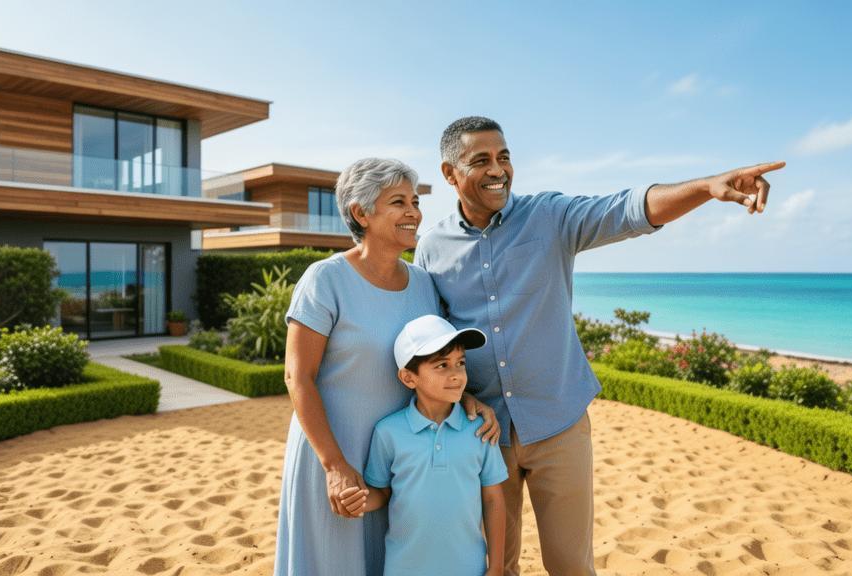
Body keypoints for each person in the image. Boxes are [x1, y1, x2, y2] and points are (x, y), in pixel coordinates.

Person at [414, 116, 786, 575]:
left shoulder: (548, 216)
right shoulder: (431, 247)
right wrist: (465, 396)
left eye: (505, 157)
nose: (499, 170)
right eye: (482, 160)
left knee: (571, 565)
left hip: (559, 424)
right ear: (450, 174)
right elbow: (432, 341)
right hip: (483, 433)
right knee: (494, 564)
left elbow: (628, 210)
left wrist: (706, 187)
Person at [274, 158, 500, 576]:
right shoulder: (324, 279)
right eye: (399, 202)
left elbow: (429, 361)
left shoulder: (423, 284)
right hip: (333, 450)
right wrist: (335, 466)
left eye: (415, 201)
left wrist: (468, 398)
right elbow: (297, 377)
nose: (414, 212)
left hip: (401, 455)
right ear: (361, 212)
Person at [339, 314, 508, 576]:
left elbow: (494, 499)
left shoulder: (481, 430)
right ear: (408, 378)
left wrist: (496, 566)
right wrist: (360, 501)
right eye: (442, 365)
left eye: (460, 363)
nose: (456, 375)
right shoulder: (387, 433)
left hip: (470, 568)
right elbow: (382, 493)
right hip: (404, 569)